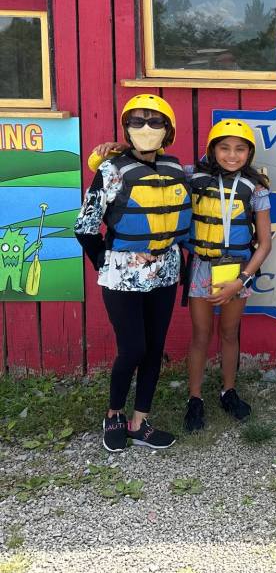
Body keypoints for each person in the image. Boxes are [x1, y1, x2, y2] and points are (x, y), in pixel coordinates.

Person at [75, 94, 191, 452]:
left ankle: (140, 420)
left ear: (168, 131)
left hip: (166, 271)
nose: (146, 129)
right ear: (125, 128)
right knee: (133, 348)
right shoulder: (110, 170)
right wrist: (107, 260)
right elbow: (85, 226)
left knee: (154, 348)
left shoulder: (177, 170)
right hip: (122, 274)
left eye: (155, 122)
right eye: (137, 121)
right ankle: (114, 414)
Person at [183, 119, 272, 432]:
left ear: (249, 152)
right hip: (202, 266)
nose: (231, 155)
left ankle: (228, 391)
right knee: (200, 334)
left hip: (236, 270)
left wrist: (242, 279)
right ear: (212, 149)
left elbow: (265, 244)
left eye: (239, 149)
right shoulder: (192, 175)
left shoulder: (256, 189)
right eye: (224, 147)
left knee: (230, 332)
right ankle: (195, 399)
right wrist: (121, 151)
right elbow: (156, 169)